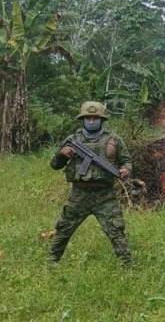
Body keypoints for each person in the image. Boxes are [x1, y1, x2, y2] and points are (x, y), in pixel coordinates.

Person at [48, 101, 133, 265]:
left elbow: (126, 161)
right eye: (88, 118)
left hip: (105, 195)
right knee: (64, 228)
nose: (92, 121)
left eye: (95, 118)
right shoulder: (72, 140)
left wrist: (125, 170)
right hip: (79, 194)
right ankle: (51, 261)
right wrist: (62, 155)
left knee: (116, 230)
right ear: (82, 119)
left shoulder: (113, 140)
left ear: (102, 120)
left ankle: (128, 264)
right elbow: (54, 165)